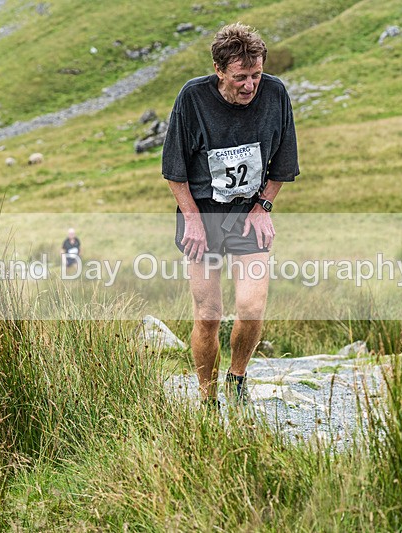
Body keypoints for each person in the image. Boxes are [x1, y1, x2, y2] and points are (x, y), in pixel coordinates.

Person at [162, 23, 299, 409]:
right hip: (201, 213)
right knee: (208, 314)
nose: (250, 85)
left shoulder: (275, 94)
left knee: (252, 308)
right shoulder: (192, 98)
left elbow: (283, 164)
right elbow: (174, 170)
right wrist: (191, 218)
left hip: (248, 213)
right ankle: (207, 396)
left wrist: (264, 206)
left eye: (256, 74)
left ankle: (236, 377)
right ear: (220, 70)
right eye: (241, 77)